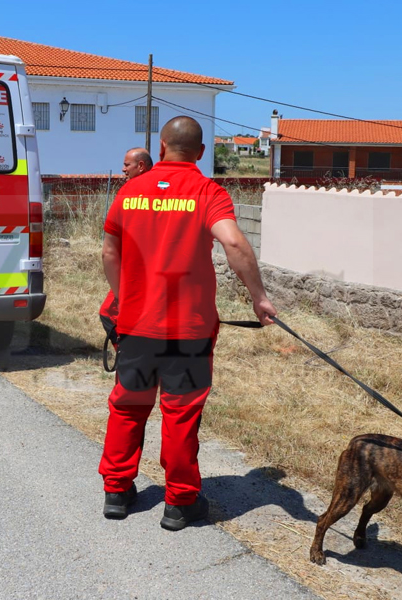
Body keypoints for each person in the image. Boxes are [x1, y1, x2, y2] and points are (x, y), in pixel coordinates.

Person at [99, 116, 276, 530]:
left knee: (128, 406)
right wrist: (259, 298)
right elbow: (233, 241)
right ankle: (179, 503)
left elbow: (110, 251)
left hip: (136, 324)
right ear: (200, 152)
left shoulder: (130, 190)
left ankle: (117, 492)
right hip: (188, 331)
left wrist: (124, 298)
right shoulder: (207, 192)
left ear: (160, 147)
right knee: (180, 413)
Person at [101, 148, 154, 327]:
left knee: (109, 313)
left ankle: (128, 352)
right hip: (138, 266)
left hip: (135, 269)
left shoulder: (129, 191)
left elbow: (108, 249)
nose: (123, 169)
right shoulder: (157, 188)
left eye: (126, 165)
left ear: (140, 166)